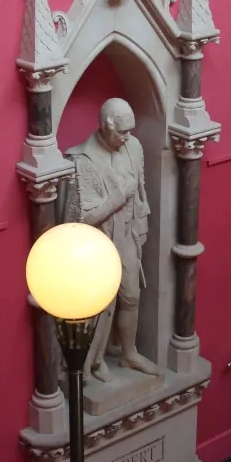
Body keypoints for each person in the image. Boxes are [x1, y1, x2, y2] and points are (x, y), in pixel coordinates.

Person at [62, 98, 160, 382]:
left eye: (130, 130)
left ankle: (129, 353)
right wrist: (119, 197)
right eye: (122, 132)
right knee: (100, 305)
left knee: (131, 296)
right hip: (98, 245)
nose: (128, 136)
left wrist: (141, 227)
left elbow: (140, 192)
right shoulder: (83, 161)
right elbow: (84, 217)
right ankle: (93, 361)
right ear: (106, 127)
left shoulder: (134, 148)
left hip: (128, 237)